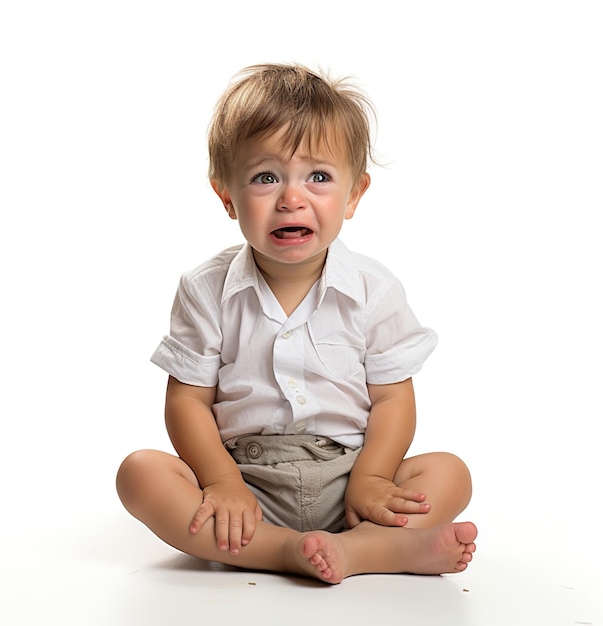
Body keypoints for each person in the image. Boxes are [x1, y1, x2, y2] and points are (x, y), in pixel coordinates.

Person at [116, 63, 477, 584]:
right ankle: (290, 550)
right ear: (226, 196)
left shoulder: (374, 290)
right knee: (140, 474)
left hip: (350, 477)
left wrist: (373, 478)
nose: (292, 197)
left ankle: (362, 548)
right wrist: (221, 482)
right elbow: (188, 400)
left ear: (354, 195)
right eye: (266, 177)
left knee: (449, 471)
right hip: (245, 483)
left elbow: (394, 397)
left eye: (319, 177)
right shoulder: (205, 289)